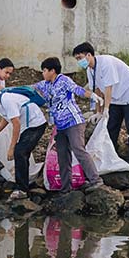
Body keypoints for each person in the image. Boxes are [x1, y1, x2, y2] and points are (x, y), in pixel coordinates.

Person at [34, 57, 104, 192]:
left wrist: (93, 96)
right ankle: (66, 187)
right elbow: (31, 88)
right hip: (60, 126)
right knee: (62, 155)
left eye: (44, 70)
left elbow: (78, 90)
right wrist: (4, 90)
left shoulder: (64, 80)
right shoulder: (46, 84)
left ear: (52, 71)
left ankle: (96, 180)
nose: (42, 73)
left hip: (73, 122)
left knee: (78, 149)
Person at [72, 42, 129, 167]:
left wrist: (106, 108)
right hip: (115, 98)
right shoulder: (90, 70)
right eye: (77, 59)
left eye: (80, 58)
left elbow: (108, 88)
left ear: (88, 55)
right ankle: (111, 154)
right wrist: (98, 112)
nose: (79, 61)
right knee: (111, 126)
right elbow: (97, 90)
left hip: (128, 93)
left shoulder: (106, 63)